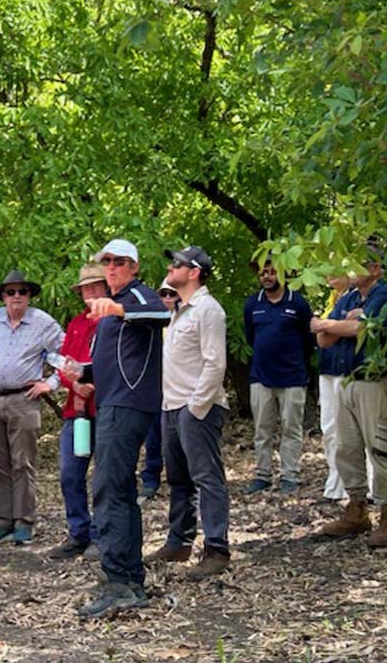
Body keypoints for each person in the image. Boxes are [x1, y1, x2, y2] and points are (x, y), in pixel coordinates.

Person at [76, 239, 171, 619]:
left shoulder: (139, 296)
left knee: (108, 488)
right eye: (107, 262)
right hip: (113, 401)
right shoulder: (114, 312)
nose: (111, 267)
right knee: (119, 488)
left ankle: (119, 583)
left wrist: (117, 307)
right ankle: (129, 578)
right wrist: (78, 371)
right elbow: (104, 364)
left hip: (128, 405)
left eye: (118, 262)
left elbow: (163, 316)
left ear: (133, 266)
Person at [312, 245, 387, 546]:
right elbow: (324, 339)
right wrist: (341, 324)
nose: (350, 270)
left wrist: (341, 324)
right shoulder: (349, 297)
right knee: (346, 447)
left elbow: (364, 328)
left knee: (380, 448)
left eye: (358, 264)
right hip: (344, 380)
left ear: (375, 268)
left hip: (376, 382)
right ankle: (357, 510)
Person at [147, 246, 231, 580]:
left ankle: (216, 548)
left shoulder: (208, 310)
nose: (170, 267)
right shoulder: (179, 311)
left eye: (177, 264)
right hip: (172, 406)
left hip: (197, 408)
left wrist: (196, 406)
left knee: (207, 477)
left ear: (194, 272)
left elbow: (216, 362)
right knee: (179, 479)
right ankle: (179, 541)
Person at [0, 269, 63, 547]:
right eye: (10, 292)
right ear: (2, 296)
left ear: (29, 296)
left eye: (21, 292)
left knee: (22, 462)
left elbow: (65, 355)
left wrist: (50, 383)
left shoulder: (42, 322)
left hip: (24, 400)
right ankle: (2, 520)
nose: (16, 297)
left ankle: (24, 522)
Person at [49, 263, 105, 560]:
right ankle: (78, 532)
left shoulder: (113, 322)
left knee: (104, 477)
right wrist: (76, 384)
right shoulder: (76, 324)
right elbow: (63, 364)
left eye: (96, 286)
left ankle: (100, 534)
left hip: (106, 410)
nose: (91, 292)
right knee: (71, 473)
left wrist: (91, 384)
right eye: (86, 287)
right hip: (77, 410)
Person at [242, 260, 314, 495]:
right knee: (262, 430)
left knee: (291, 429)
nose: (267, 276)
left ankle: (289, 476)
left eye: (272, 272)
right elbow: (251, 338)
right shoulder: (253, 303)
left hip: (293, 377)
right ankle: (262, 475)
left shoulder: (298, 303)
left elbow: (308, 341)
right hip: (261, 377)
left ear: (282, 274)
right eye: (264, 272)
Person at [316, 273, 373, 502]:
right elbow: (321, 337)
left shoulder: (357, 298)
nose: (330, 275)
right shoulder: (334, 300)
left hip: (348, 371)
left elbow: (355, 329)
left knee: (356, 432)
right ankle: (336, 484)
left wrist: (331, 326)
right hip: (327, 369)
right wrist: (333, 325)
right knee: (329, 430)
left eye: (337, 269)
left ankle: (368, 486)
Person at [138, 280, 178, 505]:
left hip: (179, 387)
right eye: (163, 294)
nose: (167, 299)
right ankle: (151, 478)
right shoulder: (151, 324)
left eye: (171, 294)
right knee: (153, 435)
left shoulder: (185, 321)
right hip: (154, 386)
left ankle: (179, 478)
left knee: (177, 436)